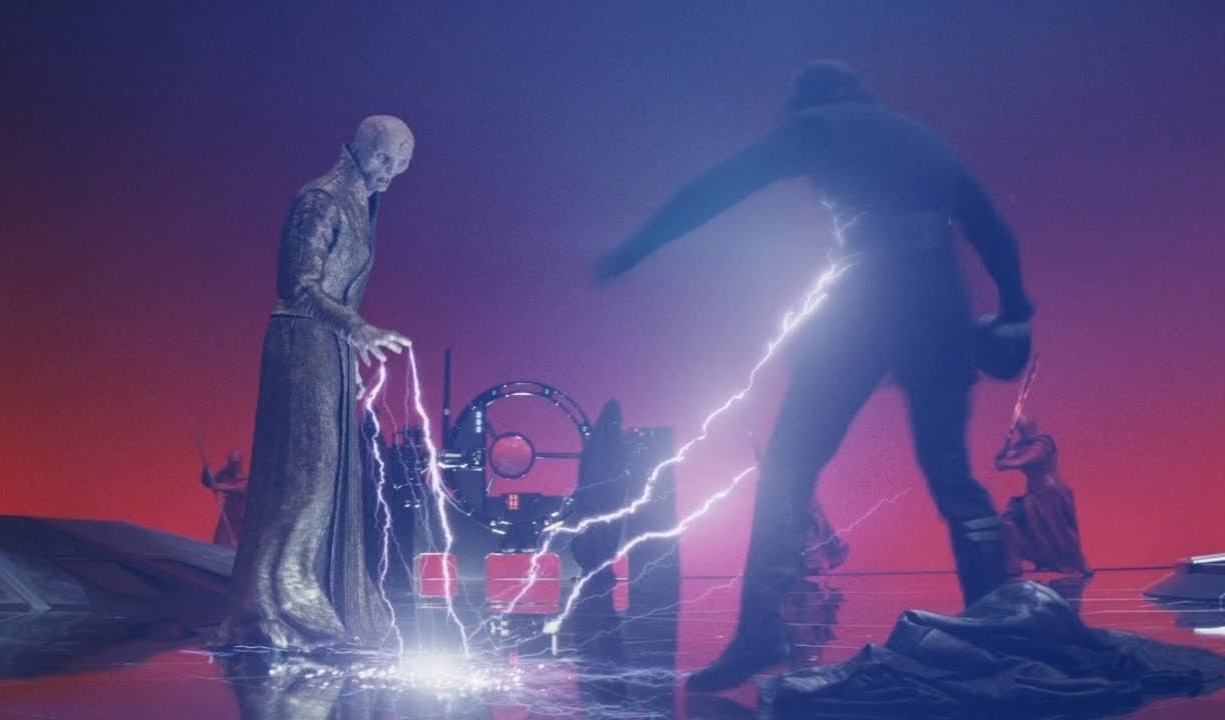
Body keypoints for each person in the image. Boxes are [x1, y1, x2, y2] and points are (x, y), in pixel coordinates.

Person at [594, 61, 1034, 691]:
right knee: (952, 475)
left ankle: (760, 634)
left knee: (789, 468)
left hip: (867, 299)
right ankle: (996, 628)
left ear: (807, 102)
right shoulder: (926, 138)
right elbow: (991, 229)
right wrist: (1015, 311)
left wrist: (635, 247)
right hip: (940, 303)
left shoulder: (818, 127)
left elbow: (717, 188)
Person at [218, 116, 414, 651]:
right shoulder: (322, 199)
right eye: (384, 158)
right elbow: (297, 284)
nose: (390, 172)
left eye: (401, 165)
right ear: (358, 147)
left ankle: (321, 600)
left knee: (330, 481)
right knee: (307, 478)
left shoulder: (364, 204)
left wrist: (349, 351)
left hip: (329, 348)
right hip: (301, 343)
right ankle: (279, 606)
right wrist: (357, 329)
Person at [995, 416, 1091, 576]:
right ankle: (1014, 563)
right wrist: (1003, 453)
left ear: (1033, 427)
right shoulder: (1022, 446)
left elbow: (1027, 459)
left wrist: (1006, 462)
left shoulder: (1043, 443)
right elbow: (1002, 460)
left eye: (1025, 428)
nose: (1023, 432)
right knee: (1009, 522)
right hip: (1033, 495)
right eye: (1020, 429)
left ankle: (1079, 562)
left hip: (1051, 494)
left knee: (1061, 532)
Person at [201, 450, 249, 548]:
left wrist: (221, 486)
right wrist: (206, 473)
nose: (233, 465)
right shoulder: (224, 474)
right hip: (228, 510)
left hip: (239, 513)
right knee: (222, 536)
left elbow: (240, 488)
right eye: (232, 462)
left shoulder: (245, 479)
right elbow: (211, 483)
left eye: (235, 463)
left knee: (235, 535)